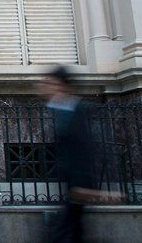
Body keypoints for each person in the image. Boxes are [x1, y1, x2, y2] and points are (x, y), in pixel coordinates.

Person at [37, 66, 107, 243]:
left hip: (78, 181)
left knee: (65, 231)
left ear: (61, 85)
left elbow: (83, 147)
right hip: (71, 183)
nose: (43, 86)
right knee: (73, 229)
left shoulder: (75, 111)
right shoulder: (58, 109)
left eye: (49, 83)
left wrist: (80, 183)